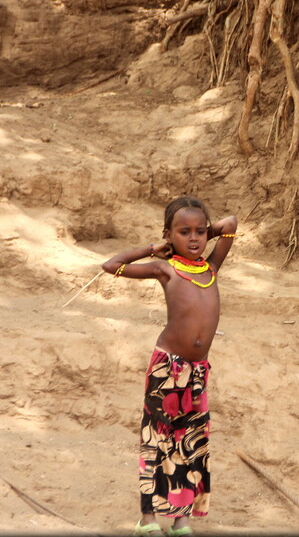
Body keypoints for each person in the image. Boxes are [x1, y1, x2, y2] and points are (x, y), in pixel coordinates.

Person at [101, 196, 237, 536]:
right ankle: (147, 519)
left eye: (200, 232)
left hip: (198, 371)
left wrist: (207, 228)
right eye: (184, 232)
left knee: (191, 442)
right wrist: (155, 248)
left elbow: (231, 224)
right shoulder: (166, 269)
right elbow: (111, 265)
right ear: (168, 235)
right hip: (167, 367)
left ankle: (181, 521)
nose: (194, 239)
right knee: (157, 440)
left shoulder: (211, 268)